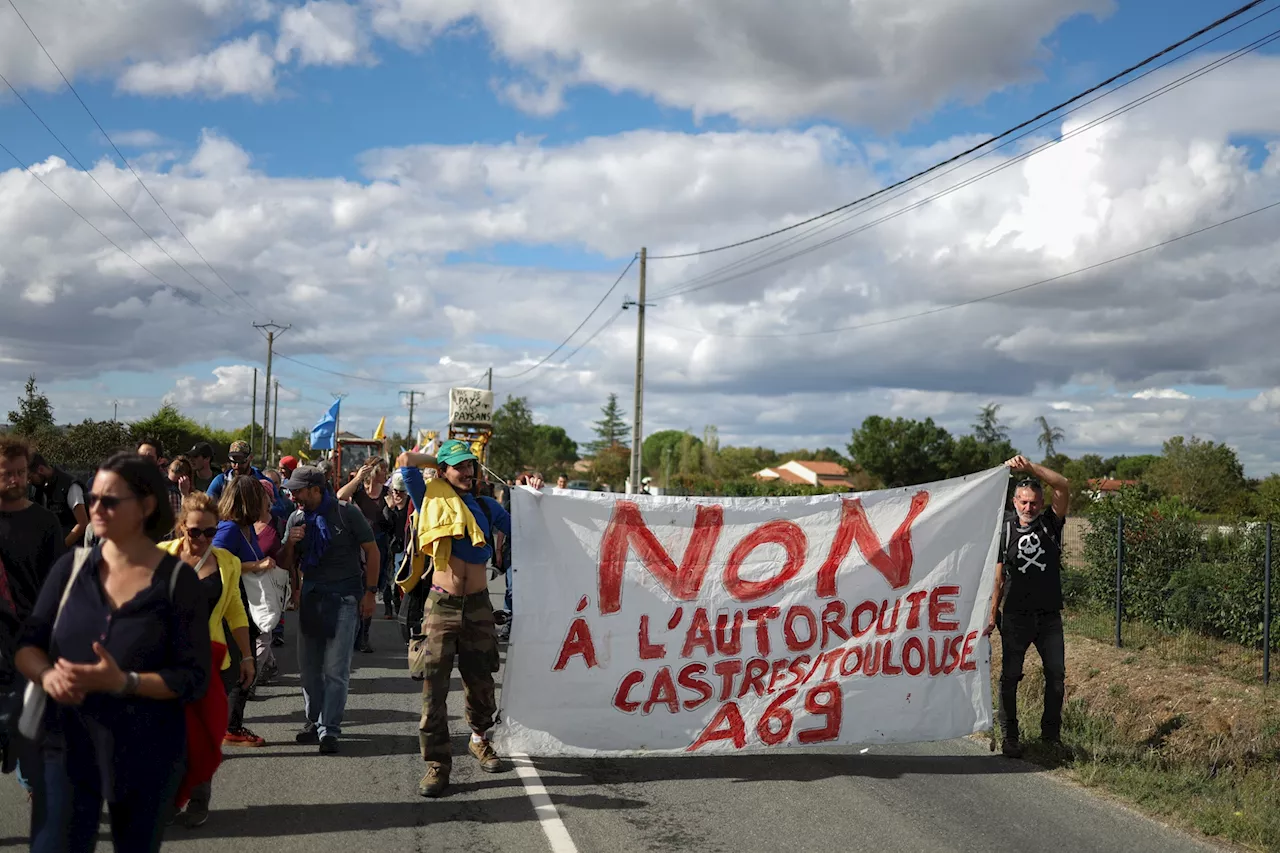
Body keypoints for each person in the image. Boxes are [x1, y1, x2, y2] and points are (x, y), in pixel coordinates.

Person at [16, 452, 211, 852]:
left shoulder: (178, 582)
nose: (96, 509)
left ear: (146, 506)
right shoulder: (71, 567)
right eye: (92, 499)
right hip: (66, 743)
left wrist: (125, 681)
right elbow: (28, 644)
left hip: (147, 750)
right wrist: (47, 675)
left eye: (109, 500)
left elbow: (193, 677)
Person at [397, 439, 510, 798]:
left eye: (470, 466)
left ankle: (479, 739)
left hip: (478, 605)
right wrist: (440, 458)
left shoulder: (487, 506)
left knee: (482, 683)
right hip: (441, 605)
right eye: (458, 466)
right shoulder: (428, 498)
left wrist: (533, 492)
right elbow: (405, 461)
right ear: (443, 470)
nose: (466, 472)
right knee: (435, 691)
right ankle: (437, 765)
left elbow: (529, 522)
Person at [160, 492, 255, 827]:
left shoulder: (227, 561)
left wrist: (246, 655)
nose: (202, 539)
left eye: (210, 532)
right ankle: (169, 798)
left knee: (204, 737)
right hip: (163, 662)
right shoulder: (159, 558)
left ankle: (198, 800)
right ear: (181, 527)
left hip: (210, 662)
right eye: (194, 532)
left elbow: (234, 610)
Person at [279, 466, 378, 755]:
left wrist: (370, 593)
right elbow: (286, 563)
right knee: (309, 669)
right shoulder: (296, 518)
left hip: (345, 598)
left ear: (316, 489)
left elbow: (372, 551)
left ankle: (329, 730)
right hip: (312, 598)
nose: (292, 495)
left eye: (297, 490)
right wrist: (290, 542)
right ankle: (315, 720)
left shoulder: (347, 513)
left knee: (335, 670)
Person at [983, 455, 1071, 759]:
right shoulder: (1004, 529)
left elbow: (1063, 484)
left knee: (1056, 676)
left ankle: (1050, 737)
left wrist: (1030, 468)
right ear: (1014, 501)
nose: (1028, 507)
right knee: (1010, 677)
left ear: (1041, 501)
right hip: (1016, 616)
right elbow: (998, 576)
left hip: (1049, 617)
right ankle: (1010, 737)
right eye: (1022, 502)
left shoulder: (1051, 523)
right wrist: (992, 612)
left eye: (1033, 502)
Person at [339, 458, 389, 652]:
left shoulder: (387, 494)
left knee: (371, 590)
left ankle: (363, 635)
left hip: (380, 546)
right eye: (383, 470)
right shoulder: (359, 494)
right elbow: (341, 496)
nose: (386, 474)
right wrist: (358, 478)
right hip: (358, 547)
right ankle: (355, 632)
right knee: (357, 589)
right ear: (373, 472)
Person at [28, 454, 89, 549]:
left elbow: (82, 523)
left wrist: (61, 547)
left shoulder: (70, 486)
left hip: (72, 551)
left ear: (40, 470)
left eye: (30, 477)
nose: (29, 481)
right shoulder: (40, 489)